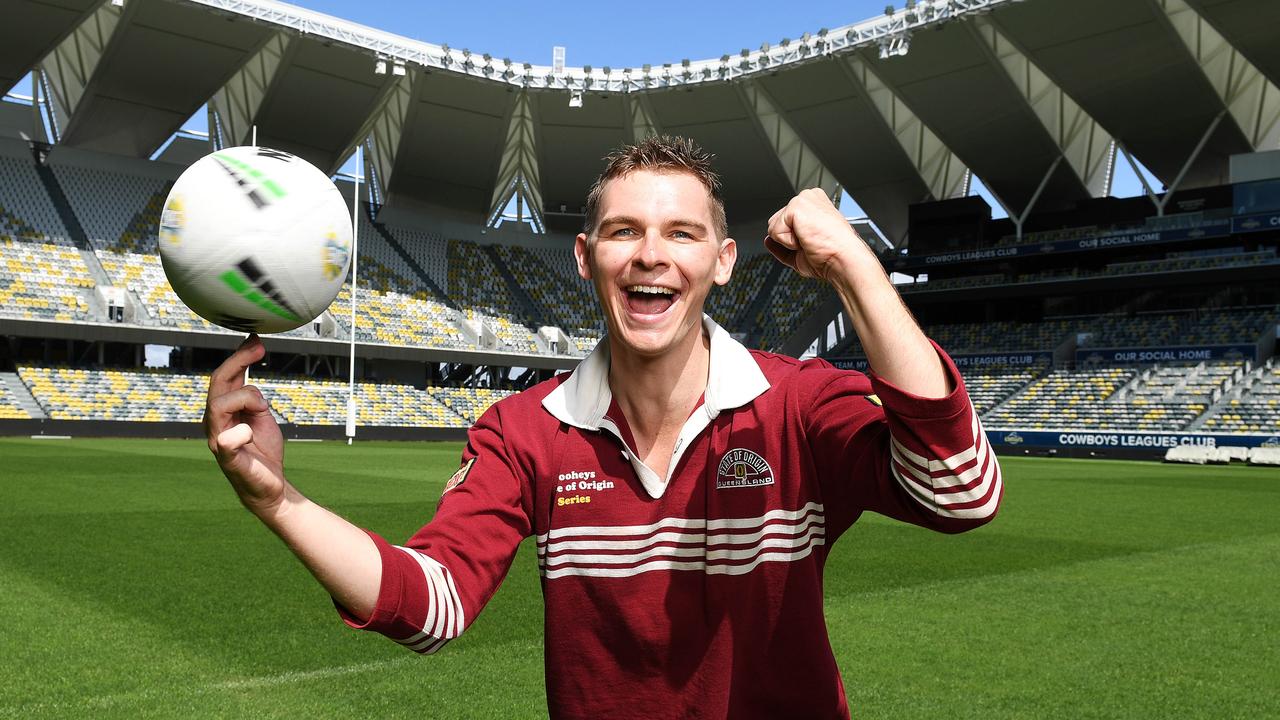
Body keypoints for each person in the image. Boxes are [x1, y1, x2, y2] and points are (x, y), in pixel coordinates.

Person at [204, 135, 1002, 719]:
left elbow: (961, 492)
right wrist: (279, 501)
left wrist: (853, 264)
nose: (651, 255)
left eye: (681, 234)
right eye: (625, 232)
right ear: (586, 258)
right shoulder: (524, 431)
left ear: (723, 261)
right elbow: (431, 606)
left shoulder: (796, 402)